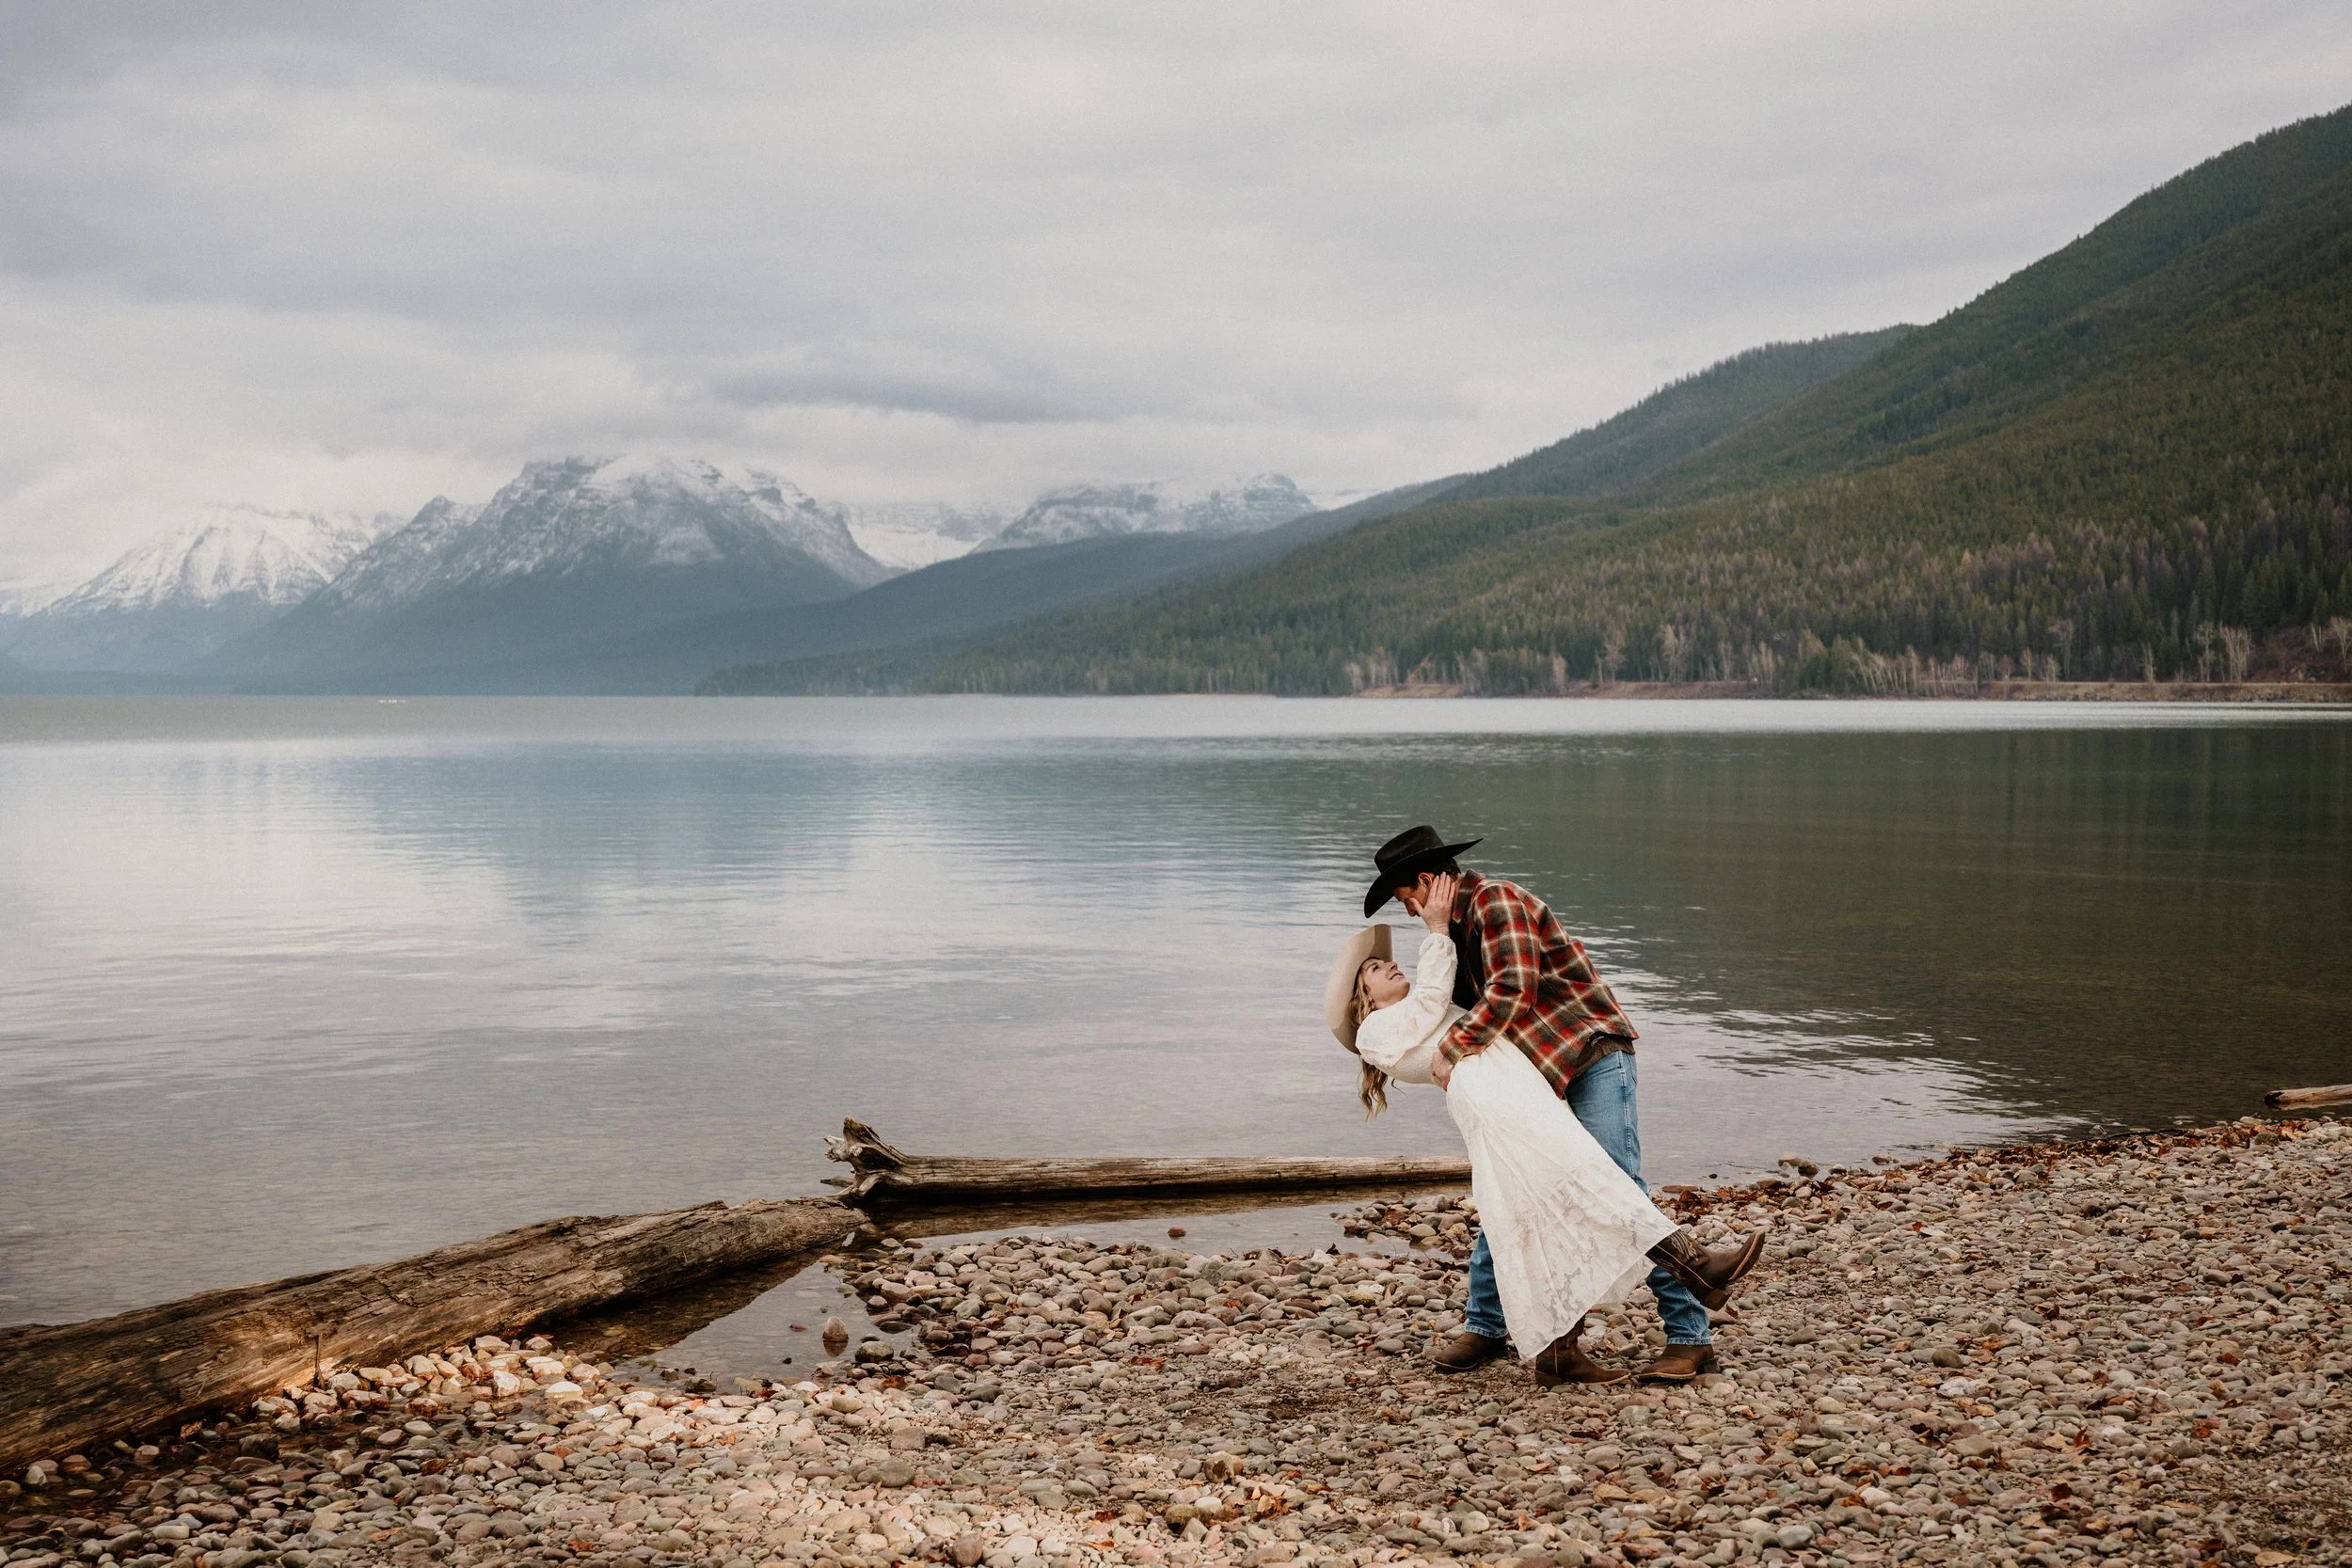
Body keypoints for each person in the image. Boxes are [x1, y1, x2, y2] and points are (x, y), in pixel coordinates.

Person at [1359, 825, 1767, 1383]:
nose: (1407, 912)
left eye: (1406, 897)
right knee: (1514, 1190)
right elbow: (1444, 1008)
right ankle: (1497, 1328)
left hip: (1589, 1053)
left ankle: (1690, 1337)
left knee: (1617, 1182)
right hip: (1541, 1073)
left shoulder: (1496, 902)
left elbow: (1512, 991)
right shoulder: (1453, 931)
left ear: (1427, 881)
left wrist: (1451, 1051)